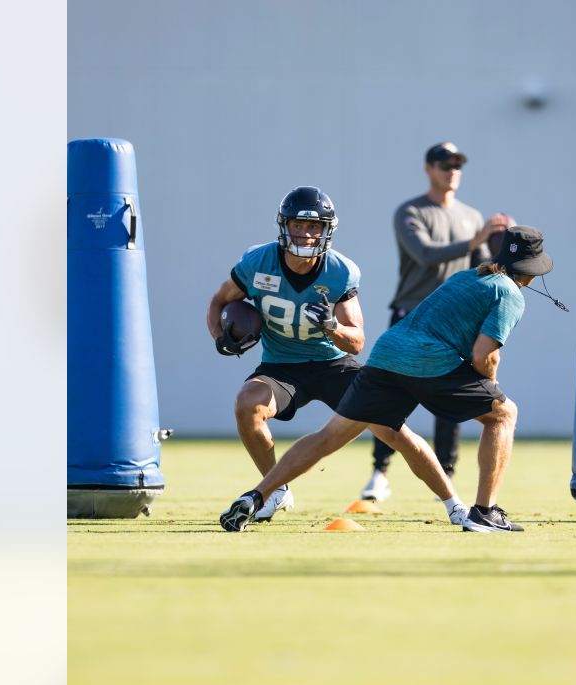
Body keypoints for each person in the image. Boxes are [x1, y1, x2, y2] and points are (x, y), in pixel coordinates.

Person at [220, 225, 556, 533]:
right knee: (502, 413)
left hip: (387, 354)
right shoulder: (510, 294)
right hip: (428, 360)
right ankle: (484, 512)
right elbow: (485, 356)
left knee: (328, 436)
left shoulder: (468, 276)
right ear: (530, 270)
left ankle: (256, 496)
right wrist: (490, 390)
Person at [206, 186, 469, 525]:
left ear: (327, 230)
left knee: (395, 432)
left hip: (333, 365)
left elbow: (357, 341)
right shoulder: (257, 262)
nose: (306, 233)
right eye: (299, 225)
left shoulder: (340, 271)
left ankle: (454, 504)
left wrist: (331, 327)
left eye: (315, 226)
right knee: (247, 404)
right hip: (281, 366)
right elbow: (218, 300)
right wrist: (219, 337)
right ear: (283, 226)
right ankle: (275, 491)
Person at [361, 141, 513, 503]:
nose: (452, 171)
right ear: (428, 168)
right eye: (445, 164)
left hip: (452, 323)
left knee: (453, 399)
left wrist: (506, 248)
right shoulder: (411, 211)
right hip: (411, 316)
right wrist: (474, 239)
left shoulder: (472, 216)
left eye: (457, 165)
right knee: (390, 395)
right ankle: (380, 472)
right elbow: (425, 254)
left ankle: (445, 475)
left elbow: (481, 263)